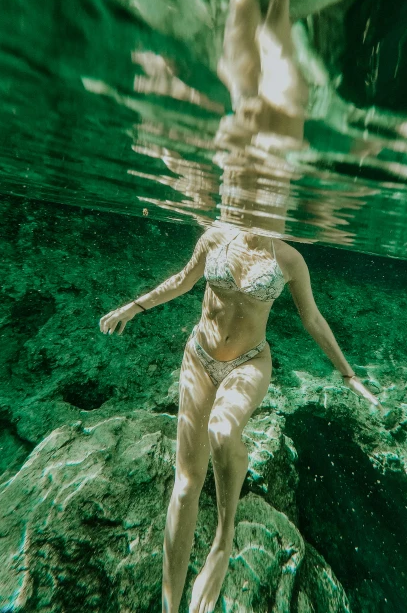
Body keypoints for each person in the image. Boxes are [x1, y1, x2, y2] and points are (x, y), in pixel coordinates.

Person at [99, 225, 380, 613]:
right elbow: (183, 280)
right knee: (185, 488)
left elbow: (312, 318)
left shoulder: (290, 260)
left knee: (223, 430)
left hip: (249, 362)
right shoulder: (215, 237)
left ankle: (223, 539)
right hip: (199, 356)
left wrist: (348, 373)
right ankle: (169, 606)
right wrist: (134, 307)